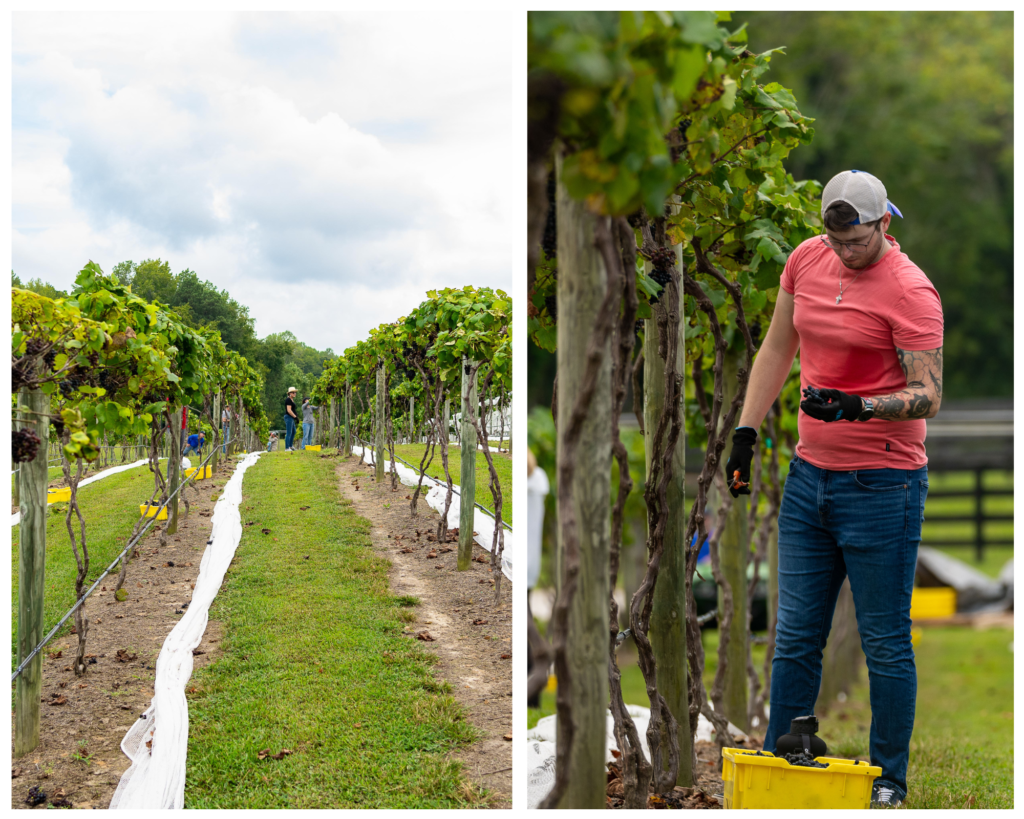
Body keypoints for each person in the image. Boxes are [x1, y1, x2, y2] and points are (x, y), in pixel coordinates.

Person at [724, 170, 943, 808]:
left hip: (884, 484)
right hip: (809, 478)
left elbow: (930, 393)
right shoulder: (805, 260)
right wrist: (746, 432)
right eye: (835, 237)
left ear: (884, 224)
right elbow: (775, 347)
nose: (845, 250)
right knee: (794, 633)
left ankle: (889, 781)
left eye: (858, 238)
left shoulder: (910, 291)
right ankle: (781, 760)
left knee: (883, 639)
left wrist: (860, 406)